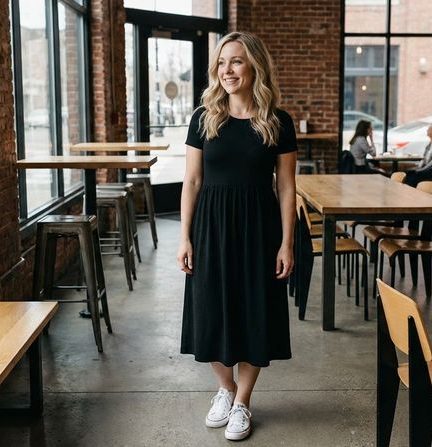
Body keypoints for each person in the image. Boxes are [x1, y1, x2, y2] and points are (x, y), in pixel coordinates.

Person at [177, 31, 296, 442]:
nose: (228, 70)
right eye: (222, 62)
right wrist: (185, 237)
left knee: (254, 310)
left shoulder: (278, 121)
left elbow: (286, 187)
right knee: (209, 307)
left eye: (237, 62)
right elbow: (191, 181)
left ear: (254, 67)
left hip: (259, 228)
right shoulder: (204, 117)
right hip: (211, 225)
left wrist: (286, 242)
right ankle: (224, 389)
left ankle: (243, 400)